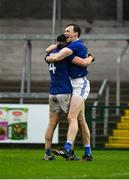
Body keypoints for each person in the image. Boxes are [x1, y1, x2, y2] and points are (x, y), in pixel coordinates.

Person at [46, 24, 95, 161]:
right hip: (71, 85)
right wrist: (90, 58)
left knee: (71, 117)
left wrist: (49, 58)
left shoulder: (76, 46)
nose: (65, 33)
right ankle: (88, 152)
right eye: (64, 31)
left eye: (68, 31)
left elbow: (55, 56)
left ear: (76, 34)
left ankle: (67, 149)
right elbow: (81, 61)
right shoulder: (68, 47)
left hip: (80, 84)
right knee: (81, 120)